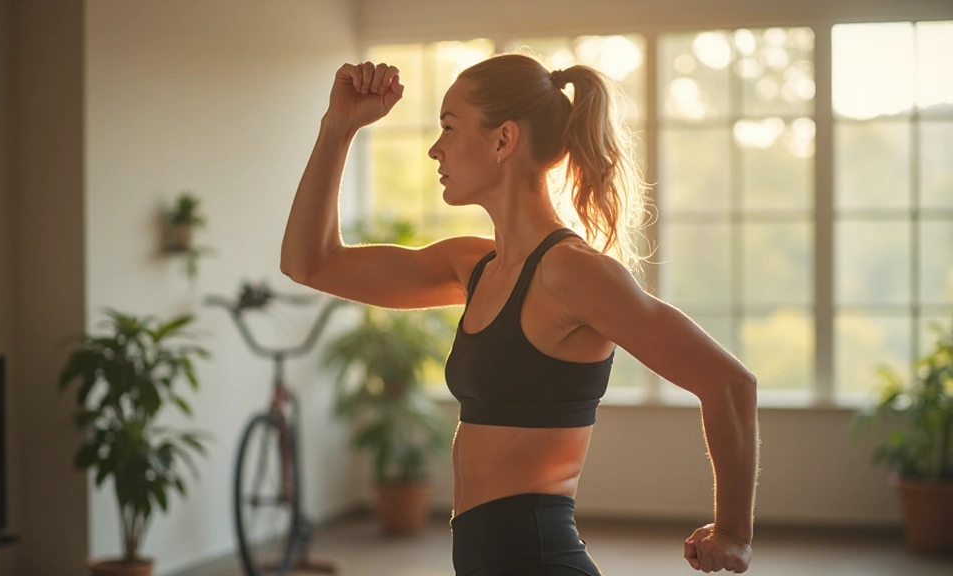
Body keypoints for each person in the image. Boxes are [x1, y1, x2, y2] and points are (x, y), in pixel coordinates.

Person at [281, 54, 759, 575]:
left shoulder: (575, 275)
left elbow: (729, 383)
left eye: (448, 127)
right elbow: (311, 263)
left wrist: (733, 531)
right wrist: (339, 126)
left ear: (504, 139)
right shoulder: (474, 266)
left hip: (538, 559)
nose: (434, 149)